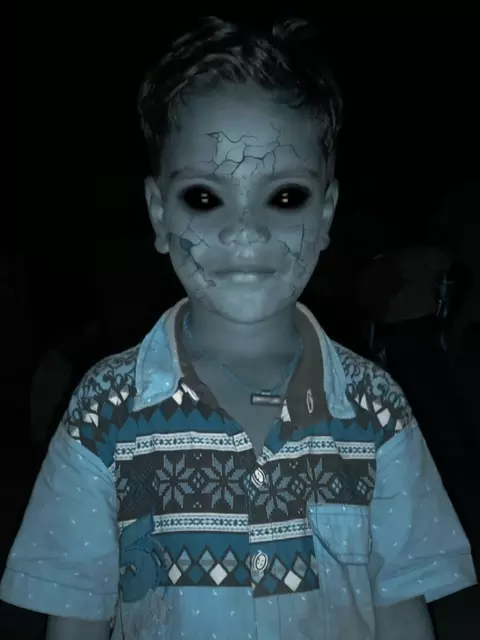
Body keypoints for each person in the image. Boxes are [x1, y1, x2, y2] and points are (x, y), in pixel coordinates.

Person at [1, 17, 476, 640]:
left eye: (286, 197)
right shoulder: (103, 412)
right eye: (204, 197)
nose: (245, 230)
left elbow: (401, 607)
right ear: (159, 214)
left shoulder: (378, 411)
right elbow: (76, 614)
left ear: (326, 214)